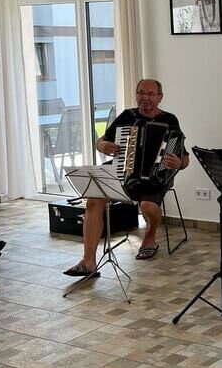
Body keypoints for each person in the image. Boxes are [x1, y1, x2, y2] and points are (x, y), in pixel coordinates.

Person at [63, 79, 189, 277]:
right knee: (94, 199)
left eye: (150, 94)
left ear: (160, 97)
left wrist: (178, 162)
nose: (145, 98)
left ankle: (150, 235)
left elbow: (185, 158)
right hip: (123, 170)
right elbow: (102, 140)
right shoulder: (127, 116)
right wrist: (102, 145)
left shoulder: (170, 120)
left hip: (155, 177)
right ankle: (88, 261)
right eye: (141, 93)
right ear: (136, 95)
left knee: (147, 206)